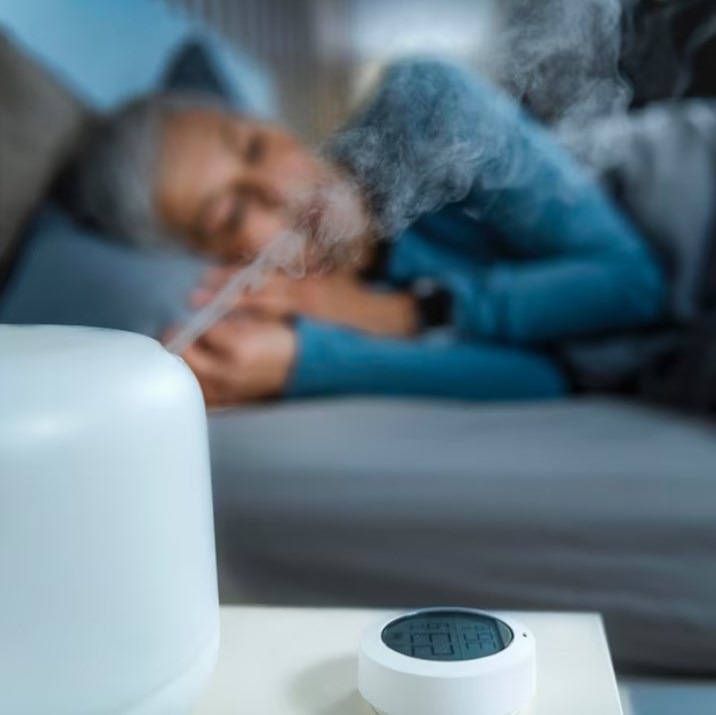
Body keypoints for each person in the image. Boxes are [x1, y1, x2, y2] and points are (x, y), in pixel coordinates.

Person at [65, 59, 666, 407]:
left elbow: (634, 285)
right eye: (227, 214)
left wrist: (399, 314)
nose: (278, 190)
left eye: (253, 147)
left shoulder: (426, 110)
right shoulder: (311, 316)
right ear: (215, 258)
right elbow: (548, 379)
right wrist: (308, 360)